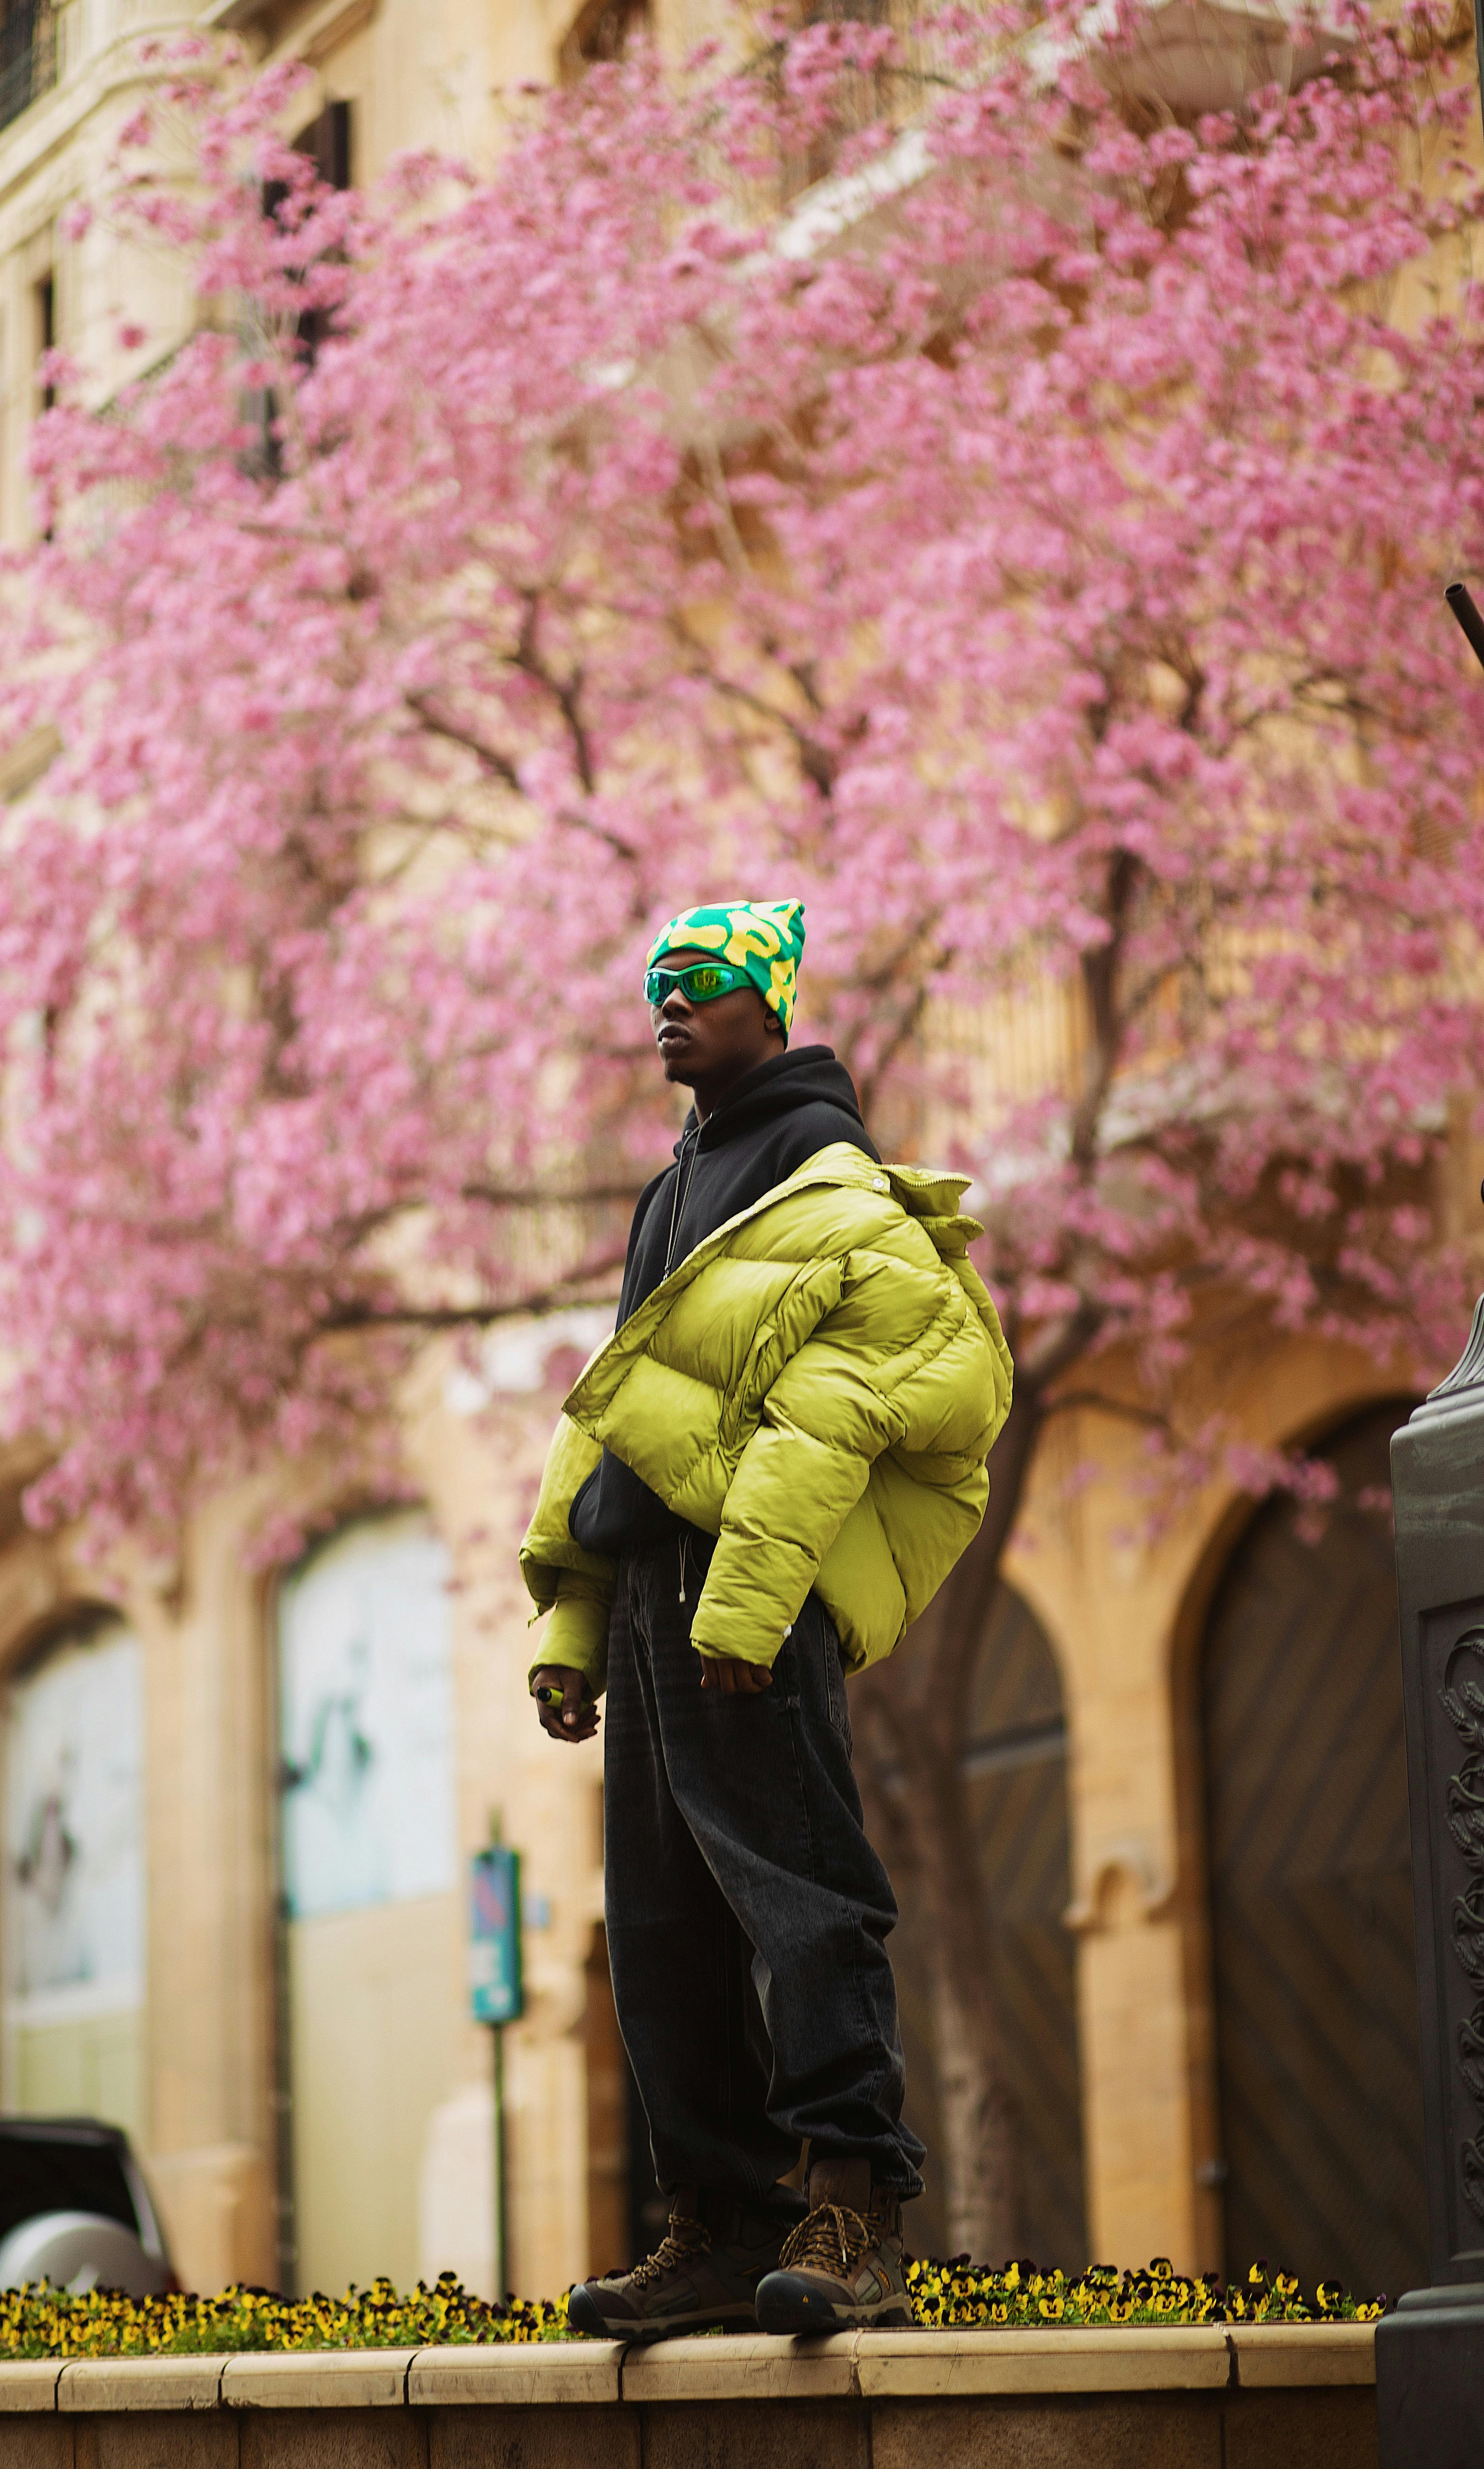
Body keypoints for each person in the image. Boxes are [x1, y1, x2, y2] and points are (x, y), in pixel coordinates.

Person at [520, 899, 1012, 2339]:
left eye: (702, 979)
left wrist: (744, 1611)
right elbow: (611, 1418)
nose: (667, 1002)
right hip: (650, 1601)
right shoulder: (671, 1189)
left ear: (773, 1003)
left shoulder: (831, 1184)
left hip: (746, 1600)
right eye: (656, 980)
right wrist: (570, 1626)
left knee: (803, 1899)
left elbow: (832, 1415)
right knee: (659, 1928)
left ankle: (854, 2213)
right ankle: (722, 2226)